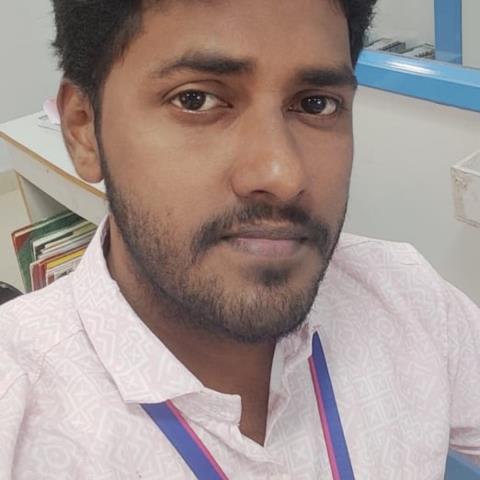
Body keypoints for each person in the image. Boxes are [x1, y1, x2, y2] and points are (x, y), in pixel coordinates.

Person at [1, 0, 479, 478]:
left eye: (316, 104)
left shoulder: (408, 300)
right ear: (83, 129)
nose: (283, 175)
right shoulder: (19, 415)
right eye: (196, 99)